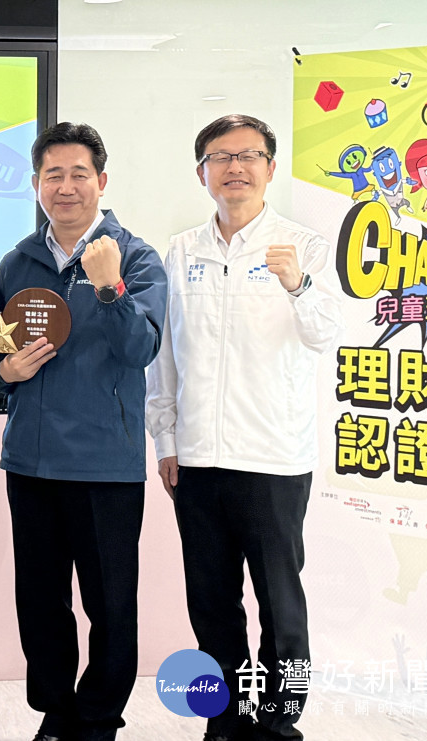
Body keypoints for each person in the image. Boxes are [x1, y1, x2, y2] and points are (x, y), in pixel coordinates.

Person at [145, 114, 344, 741]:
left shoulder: (303, 246)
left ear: (270, 167)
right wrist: (167, 440)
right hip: (199, 459)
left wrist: (298, 285)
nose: (235, 167)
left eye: (249, 155)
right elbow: (165, 357)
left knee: (281, 605)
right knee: (211, 602)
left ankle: (280, 721)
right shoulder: (182, 251)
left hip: (274, 459)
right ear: (201, 172)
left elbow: (327, 334)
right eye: (220, 157)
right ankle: (227, 718)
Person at [0, 122, 167, 741]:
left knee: (110, 603)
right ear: (36, 184)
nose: (65, 187)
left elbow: (141, 349)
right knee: (40, 600)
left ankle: (99, 718)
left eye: (78, 174)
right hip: (31, 460)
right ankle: (57, 712)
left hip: (105, 463)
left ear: (102, 181)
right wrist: (3, 372)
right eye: (53, 175)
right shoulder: (18, 260)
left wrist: (110, 286)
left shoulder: (136, 258)